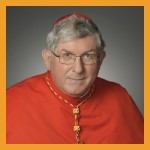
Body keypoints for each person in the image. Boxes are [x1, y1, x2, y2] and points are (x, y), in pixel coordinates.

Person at [6, 13, 144, 144]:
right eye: (67, 55)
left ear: (100, 59)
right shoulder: (9, 102)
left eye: (88, 56)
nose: (78, 69)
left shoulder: (120, 97)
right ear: (48, 59)